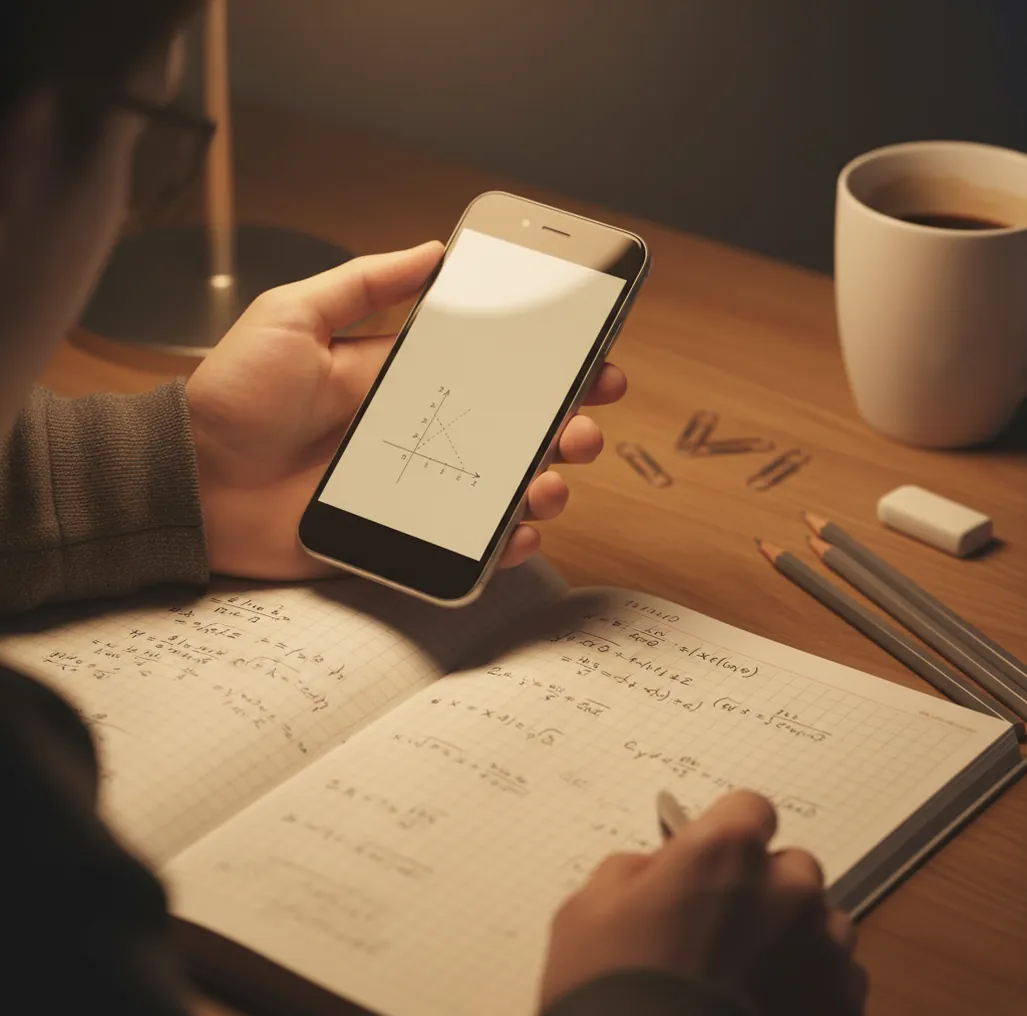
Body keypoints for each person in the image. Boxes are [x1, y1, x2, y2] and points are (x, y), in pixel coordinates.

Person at [0, 3, 866, 1014]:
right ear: (32, 144)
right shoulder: (31, 829)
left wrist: (180, 472)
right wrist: (657, 994)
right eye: (146, 142)